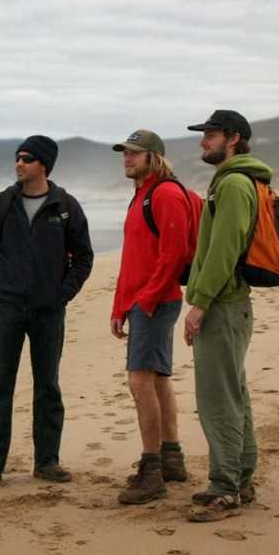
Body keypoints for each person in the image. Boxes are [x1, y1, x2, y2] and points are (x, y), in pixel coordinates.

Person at [0, 135, 94, 490]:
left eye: (27, 159)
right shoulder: (1, 205)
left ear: (44, 166)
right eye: (17, 158)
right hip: (5, 307)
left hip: (48, 312)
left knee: (48, 386)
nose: (19, 164)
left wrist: (61, 295)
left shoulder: (65, 206)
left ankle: (47, 462)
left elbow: (83, 258)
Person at [183, 110, 272, 522]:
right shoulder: (233, 181)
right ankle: (242, 479)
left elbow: (223, 251)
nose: (204, 141)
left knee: (218, 399)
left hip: (223, 304)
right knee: (234, 395)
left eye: (211, 135)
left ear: (233, 139)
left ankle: (226, 489)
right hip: (229, 304)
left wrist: (199, 302)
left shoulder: (235, 184)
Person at [110, 129, 192, 504]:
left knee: (139, 381)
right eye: (124, 153)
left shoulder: (166, 194)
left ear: (153, 157)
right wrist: (119, 306)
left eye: (134, 153)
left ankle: (152, 471)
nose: (126, 158)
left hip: (157, 303)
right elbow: (133, 258)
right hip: (144, 302)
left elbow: (172, 255)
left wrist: (145, 301)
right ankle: (172, 459)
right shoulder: (140, 196)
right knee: (157, 380)